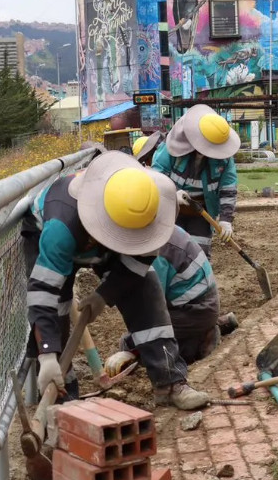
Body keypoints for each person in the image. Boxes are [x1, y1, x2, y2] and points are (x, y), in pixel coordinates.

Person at [20, 150, 210, 411]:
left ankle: (170, 382)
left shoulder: (151, 207)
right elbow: (43, 295)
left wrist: (104, 295)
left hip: (107, 231)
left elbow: (138, 263)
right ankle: (63, 396)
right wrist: (47, 353)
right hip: (54, 231)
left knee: (146, 294)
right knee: (57, 309)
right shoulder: (60, 230)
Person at [118, 226, 239, 365]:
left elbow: (152, 303)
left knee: (136, 341)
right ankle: (213, 326)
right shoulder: (165, 227)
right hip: (202, 303)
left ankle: (202, 339)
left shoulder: (154, 252)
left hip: (196, 310)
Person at [150, 104, 240, 259]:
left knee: (199, 255)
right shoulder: (172, 146)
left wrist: (226, 219)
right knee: (169, 252)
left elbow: (228, 188)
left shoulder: (224, 158)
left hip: (201, 211)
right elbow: (156, 176)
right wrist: (171, 194)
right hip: (171, 210)